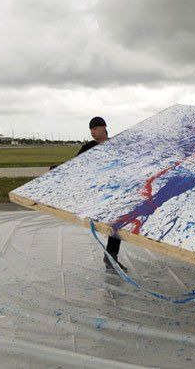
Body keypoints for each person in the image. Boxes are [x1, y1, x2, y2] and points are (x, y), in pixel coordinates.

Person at [77, 116, 127, 272]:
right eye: (91, 129)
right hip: (96, 192)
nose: (93, 132)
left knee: (117, 225)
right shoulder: (87, 148)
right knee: (111, 224)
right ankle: (111, 257)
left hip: (114, 192)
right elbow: (73, 166)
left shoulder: (115, 146)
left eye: (95, 128)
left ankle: (111, 257)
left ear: (104, 127)